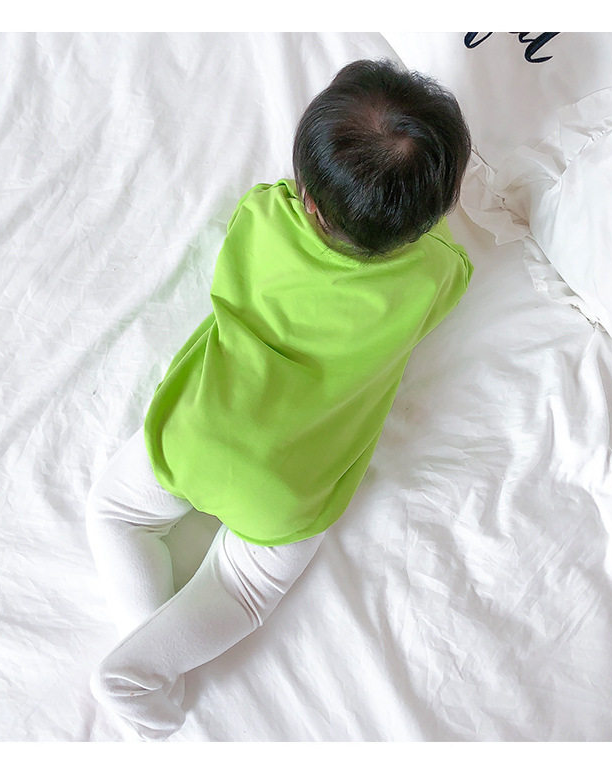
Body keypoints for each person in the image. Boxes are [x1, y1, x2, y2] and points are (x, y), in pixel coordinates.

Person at [86, 58, 473, 740]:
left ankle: (142, 641)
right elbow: (451, 257)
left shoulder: (263, 214)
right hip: (290, 490)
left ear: (308, 198)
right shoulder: (434, 275)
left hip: (198, 432)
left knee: (117, 515)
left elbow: (275, 203)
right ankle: (144, 663)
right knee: (242, 592)